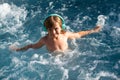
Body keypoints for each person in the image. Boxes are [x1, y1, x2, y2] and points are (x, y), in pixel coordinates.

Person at [10, 14, 101, 53]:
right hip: (55, 61)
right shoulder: (44, 40)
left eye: (56, 29)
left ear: (62, 27)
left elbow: (79, 34)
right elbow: (32, 46)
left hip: (68, 55)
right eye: (49, 29)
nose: (53, 32)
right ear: (46, 29)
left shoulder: (65, 35)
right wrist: (18, 49)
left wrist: (92, 30)